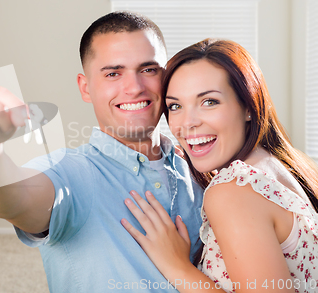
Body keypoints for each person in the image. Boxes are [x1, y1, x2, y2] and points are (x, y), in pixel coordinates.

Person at [0, 11, 204, 292]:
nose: (134, 87)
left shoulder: (196, 166)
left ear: (165, 78)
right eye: (113, 73)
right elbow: (14, 200)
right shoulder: (70, 170)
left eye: (148, 70)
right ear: (86, 88)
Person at [121, 39, 318, 293]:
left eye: (209, 102)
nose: (187, 123)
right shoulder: (280, 164)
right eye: (175, 106)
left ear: (248, 106)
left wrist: (177, 267)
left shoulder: (233, 191)